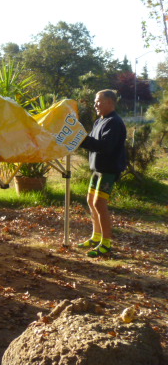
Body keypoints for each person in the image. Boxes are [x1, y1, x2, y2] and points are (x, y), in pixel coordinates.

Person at [77, 89, 128, 258]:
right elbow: (92, 142)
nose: (95, 105)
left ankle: (106, 243)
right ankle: (96, 237)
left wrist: (80, 139)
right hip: (97, 169)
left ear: (109, 102)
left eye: (98, 101)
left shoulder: (114, 122)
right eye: (95, 101)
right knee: (91, 201)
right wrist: (79, 139)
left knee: (99, 204)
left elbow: (105, 146)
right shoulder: (100, 120)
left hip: (108, 170)